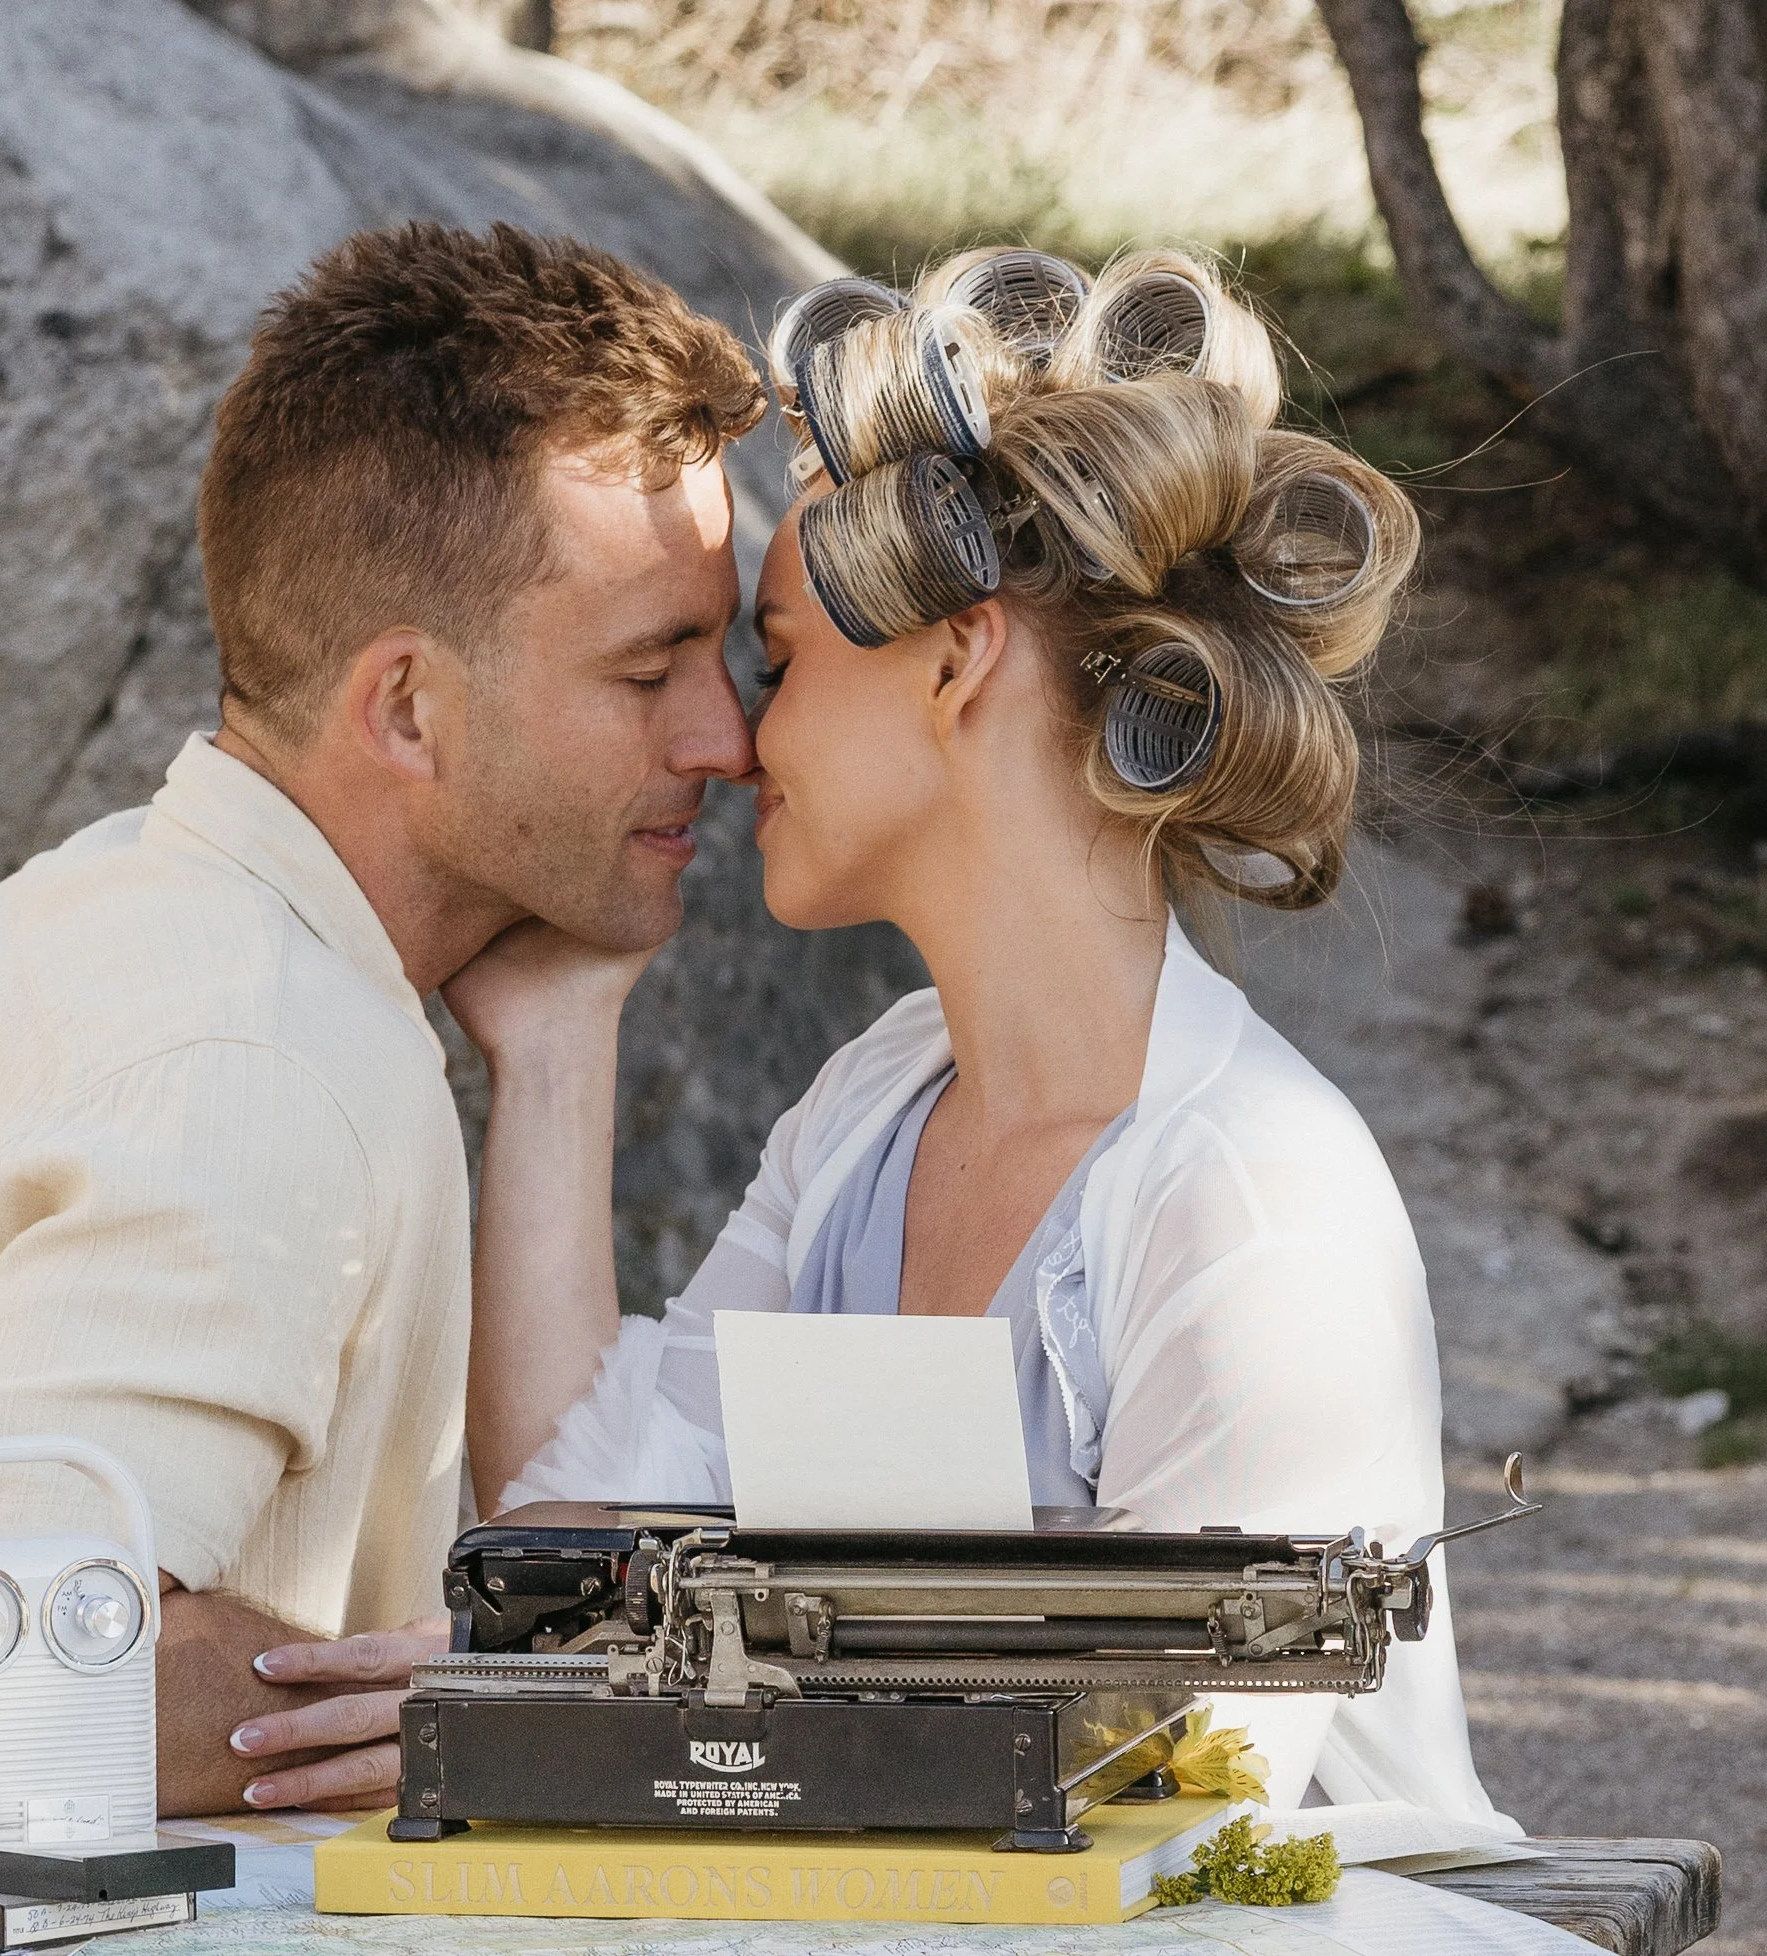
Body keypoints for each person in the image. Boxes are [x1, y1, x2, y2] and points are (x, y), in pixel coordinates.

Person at [0, 222, 765, 1815]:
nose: (726, 737)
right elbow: (10, 1670)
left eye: (726, 652)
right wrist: (521, 1711)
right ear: (409, 708)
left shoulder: (123, 917)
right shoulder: (257, 1066)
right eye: (653, 671)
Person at [446, 246, 1513, 1826]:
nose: (738, 740)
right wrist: (554, 1040)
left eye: (783, 657)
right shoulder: (872, 1105)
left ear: (957, 659)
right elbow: (565, 1541)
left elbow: (1178, 1785)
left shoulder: (1244, 1194)